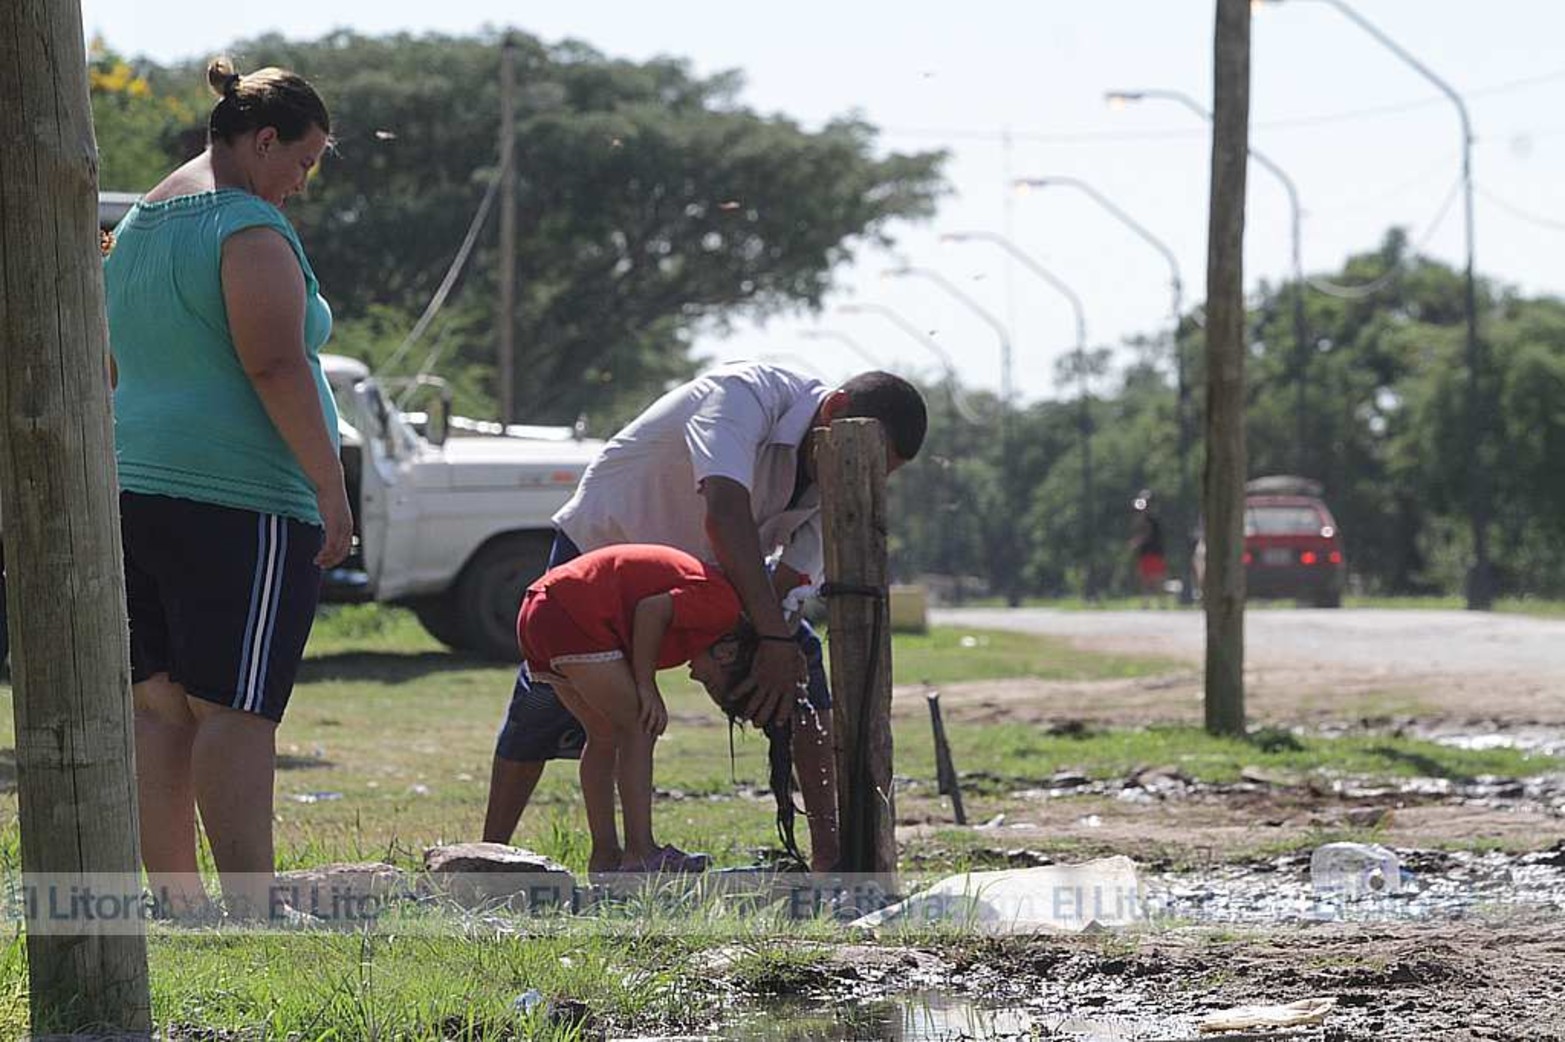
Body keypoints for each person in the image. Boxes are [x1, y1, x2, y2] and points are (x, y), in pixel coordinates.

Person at [483, 362, 927, 872]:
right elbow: (725, 511)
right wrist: (768, 641)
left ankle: (830, 857)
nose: (859, 474)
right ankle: (485, 858)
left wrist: (774, 647)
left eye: (877, 469)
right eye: (859, 458)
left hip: (702, 576)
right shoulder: (743, 396)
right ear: (836, 411)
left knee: (800, 670)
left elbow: (791, 574)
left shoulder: (842, 469)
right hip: (603, 552)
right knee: (545, 706)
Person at [104, 58, 349, 920]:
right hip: (239, 496)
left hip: (134, 488)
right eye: (305, 160)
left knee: (160, 705)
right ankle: (251, 908)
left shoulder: (137, 223)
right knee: (236, 706)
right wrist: (330, 489)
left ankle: (176, 905)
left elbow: (110, 363)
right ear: (264, 138)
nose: (302, 182)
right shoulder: (246, 225)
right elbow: (276, 364)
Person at [518, 543, 761, 874]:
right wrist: (646, 685)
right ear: (728, 654)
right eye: (710, 682)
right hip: (574, 610)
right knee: (639, 726)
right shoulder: (723, 609)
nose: (694, 675)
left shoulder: (708, 616)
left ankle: (605, 857)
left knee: (603, 735)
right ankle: (641, 853)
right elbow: (651, 610)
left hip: (540, 608)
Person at [1129, 489, 1167, 608]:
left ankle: (1160, 602)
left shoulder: (1151, 519)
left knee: (1156, 578)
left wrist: (1137, 542)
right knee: (1145, 578)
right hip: (1146, 553)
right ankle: (1146, 603)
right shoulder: (1142, 518)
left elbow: (1147, 534)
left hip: (1154, 552)